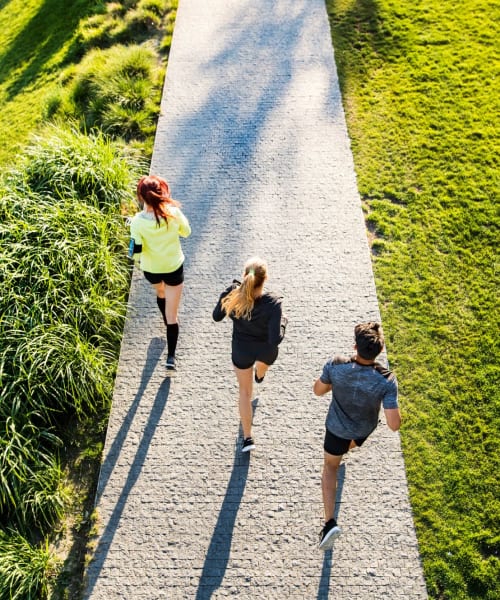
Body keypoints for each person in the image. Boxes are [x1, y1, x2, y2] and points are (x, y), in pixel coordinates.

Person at [313, 322, 401, 550]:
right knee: (345, 449)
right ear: (380, 351)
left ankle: (329, 523)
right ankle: (342, 453)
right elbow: (394, 425)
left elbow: (318, 390)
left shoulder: (336, 364)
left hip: (336, 429)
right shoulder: (387, 380)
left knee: (330, 467)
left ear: (355, 346)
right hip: (363, 430)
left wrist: (337, 382)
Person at [213, 257, 287, 452]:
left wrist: (227, 291)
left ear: (244, 276)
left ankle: (247, 438)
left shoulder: (233, 295)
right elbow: (274, 339)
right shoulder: (273, 303)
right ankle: (260, 375)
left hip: (242, 349)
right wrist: (283, 324)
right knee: (262, 367)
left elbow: (216, 316)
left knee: (245, 392)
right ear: (265, 279)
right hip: (265, 350)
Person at [128, 175, 191, 374]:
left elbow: (135, 251)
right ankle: (170, 358)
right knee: (173, 317)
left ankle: (163, 312)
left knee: (160, 292)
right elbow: (186, 232)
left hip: (151, 270)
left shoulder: (137, 222)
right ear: (162, 192)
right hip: (173, 267)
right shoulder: (173, 213)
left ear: (141, 197)